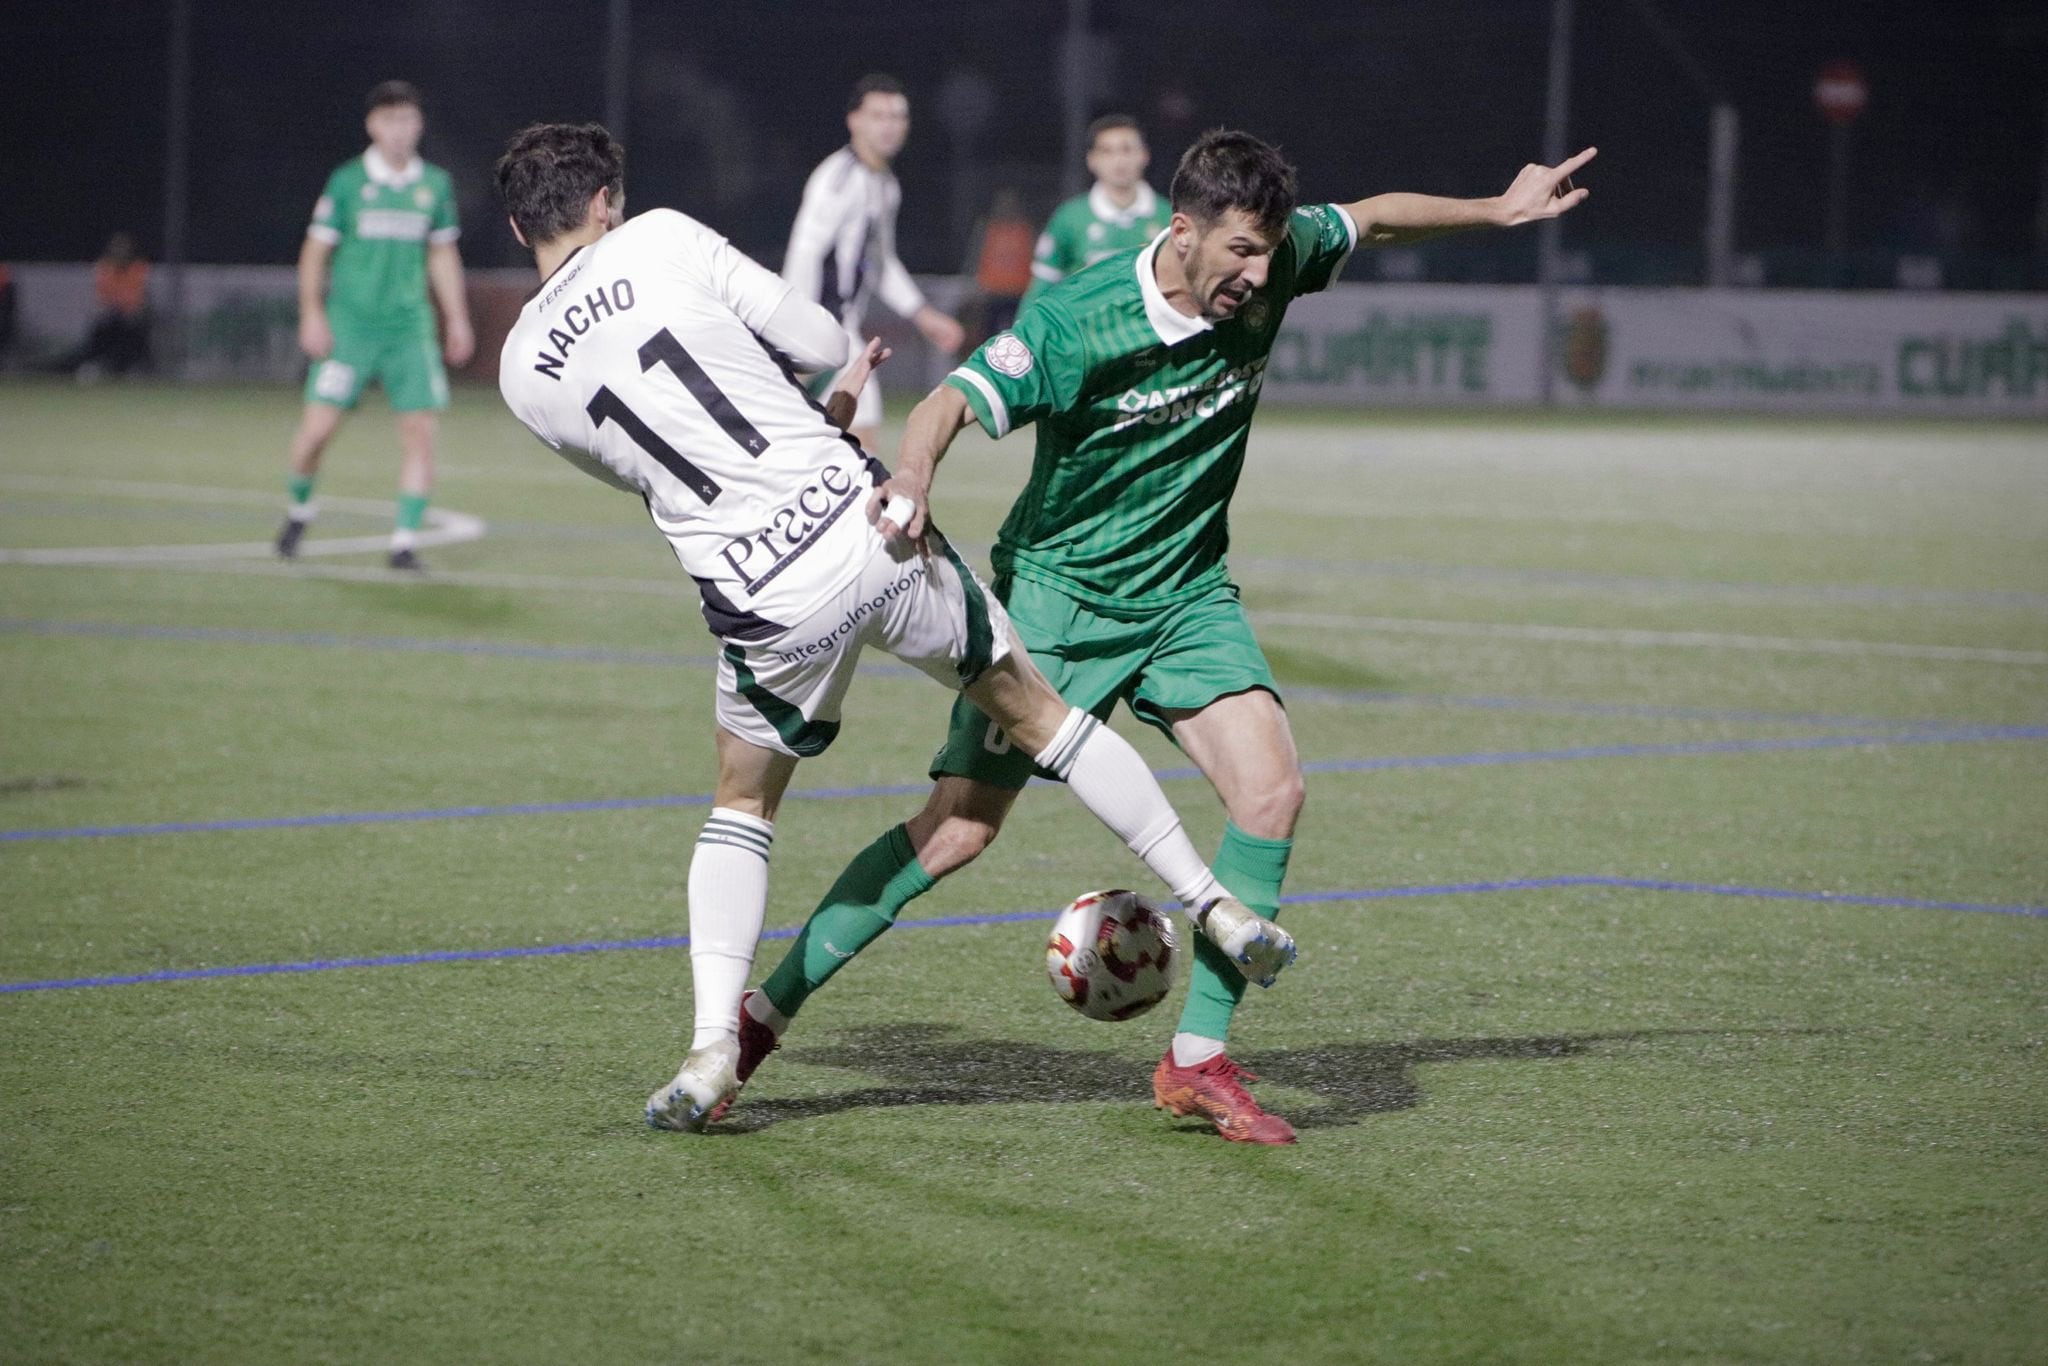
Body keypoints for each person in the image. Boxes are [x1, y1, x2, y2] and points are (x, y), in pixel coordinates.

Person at [738, 130, 1598, 1144]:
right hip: (1058, 601)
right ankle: (760, 1017)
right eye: (1237, 249)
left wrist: (1494, 209)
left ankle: (1195, 1059)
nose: (1257, 272)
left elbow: (1367, 214)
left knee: (1271, 791)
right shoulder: (1078, 317)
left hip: (1187, 594)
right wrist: (915, 476)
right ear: (1181, 231)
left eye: (1269, 251)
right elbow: (946, 403)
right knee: (958, 831)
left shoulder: (1275, 263)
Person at [490, 122, 1293, 1134]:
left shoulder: (521, 370)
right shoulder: (658, 237)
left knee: (741, 806)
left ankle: (710, 1052)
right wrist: (826, 396)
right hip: (863, 525)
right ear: (606, 198)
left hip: (758, 590)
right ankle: (1206, 899)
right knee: (1044, 718)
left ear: (523, 225)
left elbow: (641, 468)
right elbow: (825, 343)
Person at [275, 80, 474, 571]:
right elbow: (314, 251)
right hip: (350, 331)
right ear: (372, 126)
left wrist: (457, 318)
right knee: (317, 432)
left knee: (420, 434)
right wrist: (311, 312)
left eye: (407, 120)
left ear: (419, 124)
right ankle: (300, 508)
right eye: (389, 120)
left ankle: (403, 543)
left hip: (409, 331)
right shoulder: (347, 182)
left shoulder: (434, 185)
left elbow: (442, 252)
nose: (399, 130)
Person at [781, 74, 965, 453]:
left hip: (840, 331)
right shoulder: (839, 178)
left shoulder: (883, 184)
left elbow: (880, 263)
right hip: (825, 328)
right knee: (846, 444)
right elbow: (805, 252)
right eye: (879, 115)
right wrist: (797, 328)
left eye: (898, 116)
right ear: (854, 121)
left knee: (839, 443)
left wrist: (924, 316)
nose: (890, 125)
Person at [1020, 114, 1170, 311]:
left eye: (1127, 149)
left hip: (1152, 335)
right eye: (1107, 151)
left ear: (1144, 155)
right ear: (1091, 160)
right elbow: (1042, 287)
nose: (1119, 160)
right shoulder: (1070, 218)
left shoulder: (1168, 216)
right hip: (1086, 335)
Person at [56, 233, 152, 377]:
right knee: (99, 332)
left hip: (131, 322)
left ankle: (129, 367)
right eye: (117, 248)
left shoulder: (138, 268)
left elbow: (137, 299)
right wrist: (116, 306)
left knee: (134, 328)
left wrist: (124, 307)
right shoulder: (105, 267)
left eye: (124, 248)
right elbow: (103, 298)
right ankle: (87, 364)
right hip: (110, 319)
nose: (121, 252)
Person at [969, 188, 1036, 338]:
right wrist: (975, 286)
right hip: (993, 292)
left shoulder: (1024, 230)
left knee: (1017, 334)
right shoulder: (988, 229)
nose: (1006, 207)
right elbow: (975, 258)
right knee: (988, 334)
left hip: (1018, 291)